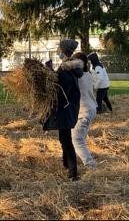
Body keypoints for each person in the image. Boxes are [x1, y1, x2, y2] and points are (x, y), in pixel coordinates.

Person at [42, 39, 83, 181]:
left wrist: (50, 74)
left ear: (64, 51)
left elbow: (62, 89)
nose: (58, 51)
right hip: (68, 108)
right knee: (63, 137)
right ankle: (66, 165)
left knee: (66, 140)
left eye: (59, 49)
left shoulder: (67, 70)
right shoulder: (68, 67)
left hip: (66, 108)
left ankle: (73, 173)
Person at [72, 52, 98, 168]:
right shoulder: (88, 74)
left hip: (85, 111)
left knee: (76, 139)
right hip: (92, 109)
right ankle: (75, 158)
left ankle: (90, 164)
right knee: (80, 137)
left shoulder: (79, 77)